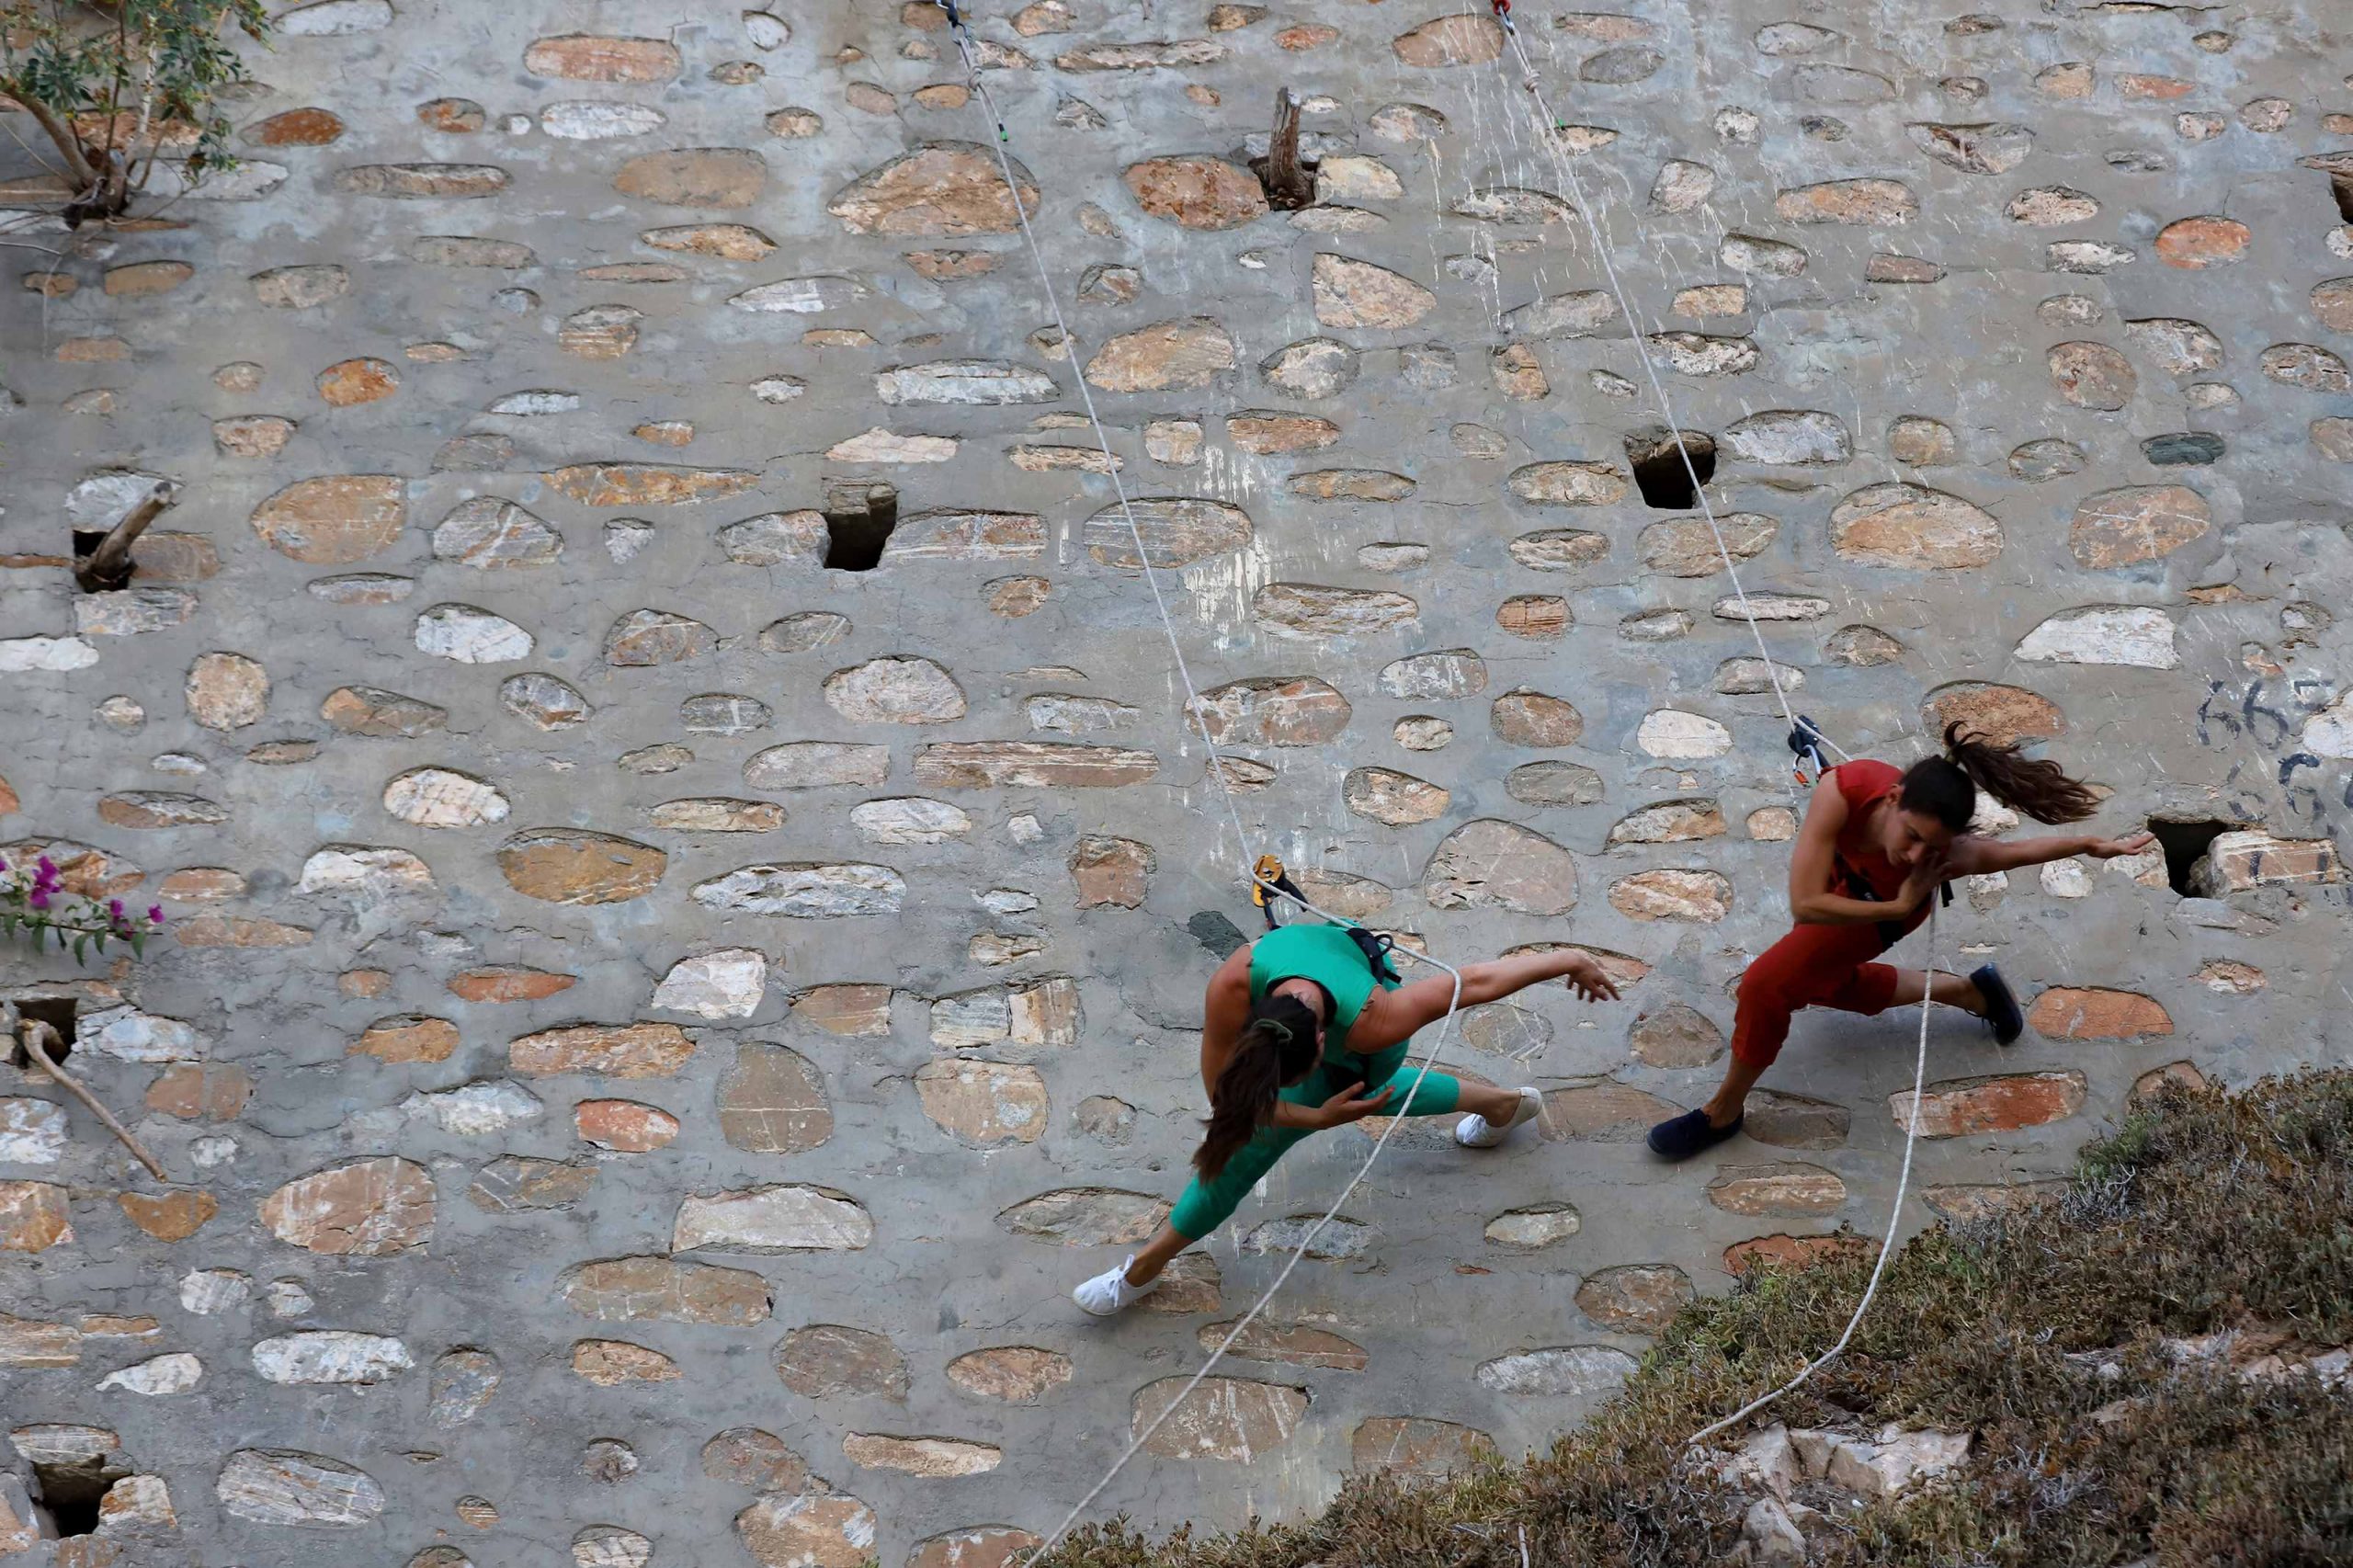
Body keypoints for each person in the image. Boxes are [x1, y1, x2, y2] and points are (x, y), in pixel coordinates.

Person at [1646, 723, 2155, 1161]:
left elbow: (2012, 853)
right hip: (1851, 894)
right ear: (1892, 799)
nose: (1915, 856)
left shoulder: (1940, 857)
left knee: (1765, 986)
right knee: (1816, 979)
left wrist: (2088, 844)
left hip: (1884, 914)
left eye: (1930, 847)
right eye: (1911, 835)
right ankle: (1965, 991)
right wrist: (1894, 902)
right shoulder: (1842, 790)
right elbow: (1805, 903)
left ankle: (1723, 1112)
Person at [1074, 920, 1621, 1314]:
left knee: (1314, 1116)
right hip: (1320, 1005)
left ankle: (1143, 1269)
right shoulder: (1232, 985)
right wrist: (1313, 1118)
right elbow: (1227, 1103)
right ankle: (1503, 1105)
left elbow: (1473, 983)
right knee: (1247, 1137)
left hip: (1366, 1024)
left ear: (1321, 1043)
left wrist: (1567, 959)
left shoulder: (1377, 1022)